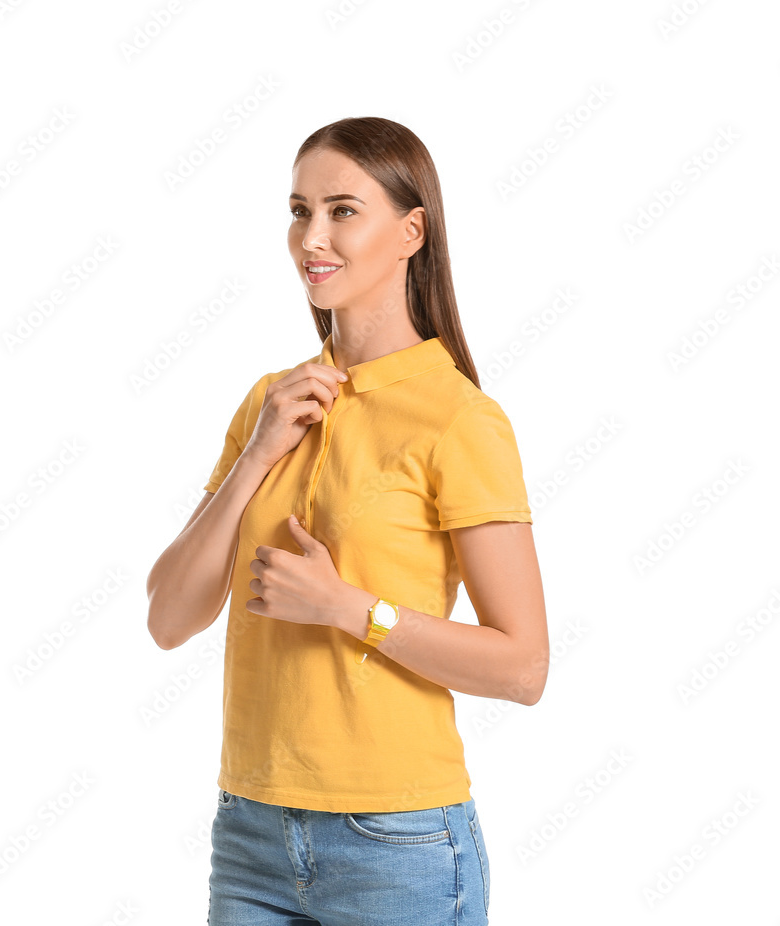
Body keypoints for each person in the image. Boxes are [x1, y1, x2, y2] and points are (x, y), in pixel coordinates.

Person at [146, 116, 549, 926]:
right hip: (251, 830)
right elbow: (168, 617)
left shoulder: (459, 419)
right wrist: (258, 456)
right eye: (299, 211)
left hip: (397, 841)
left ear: (410, 232)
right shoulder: (271, 401)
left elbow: (523, 668)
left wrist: (347, 609)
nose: (311, 238)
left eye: (341, 210)